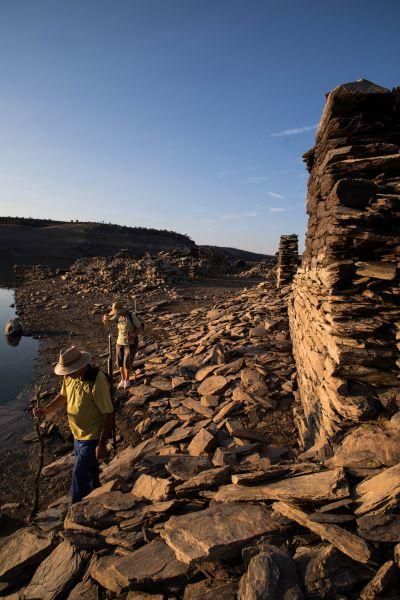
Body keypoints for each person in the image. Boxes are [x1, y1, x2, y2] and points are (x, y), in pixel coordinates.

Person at [33, 346, 114, 504]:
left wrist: (102, 443)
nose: (67, 374)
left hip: (92, 436)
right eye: (66, 371)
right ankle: (96, 495)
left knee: (78, 472)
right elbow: (63, 395)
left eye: (69, 370)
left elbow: (109, 413)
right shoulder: (69, 377)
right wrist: (46, 409)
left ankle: (76, 507)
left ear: (81, 365)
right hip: (78, 434)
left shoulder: (97, 381)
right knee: (90, 469)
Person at [103, 301, 143, 389]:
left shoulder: (131, 316)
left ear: (121, 310)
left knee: (127, 363)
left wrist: (132, 335)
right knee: (120, 363)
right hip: (119, 343)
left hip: (130, 343)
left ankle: (127, 380)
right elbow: (107, 324)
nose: (116, 314)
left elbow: (139, 328)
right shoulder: (118, 316)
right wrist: (105, 319)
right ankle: (122, 379)